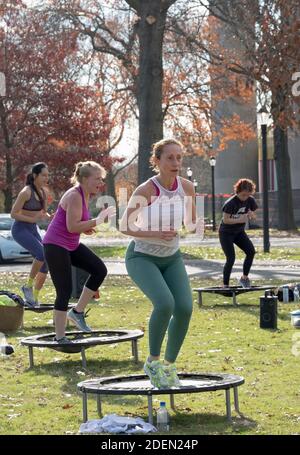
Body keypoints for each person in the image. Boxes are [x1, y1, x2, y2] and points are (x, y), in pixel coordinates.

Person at [120, 138, 198, 389]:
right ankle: (152, 361)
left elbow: (190, 221)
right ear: (157, 161)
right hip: (141, 257)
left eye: (179, 157)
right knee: (165, 304)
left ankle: (168, 365)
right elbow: (124, 226)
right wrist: (155, 233)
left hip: (171, 258)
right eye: (170, 158)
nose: (176, 162)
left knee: (184, 308)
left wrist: (193, 223)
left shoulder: (186, 187)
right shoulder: (145, 190)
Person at [43, 161, 115, 343]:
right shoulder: (75, 195)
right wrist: (97, 221)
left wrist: (87, 227)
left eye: (102, 178)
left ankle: (77, 312)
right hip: (55, 245)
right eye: (97, 178)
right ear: (83, 179)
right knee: (64, 290)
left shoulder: (84, 194)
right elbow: (72, 226)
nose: (101, 182)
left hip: (70, 245)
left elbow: (75, 224)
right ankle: (60, 337)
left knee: (99, 270)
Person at [11, 162, 51, 306]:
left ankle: (34, 296)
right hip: (20, 229)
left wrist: (50, 216)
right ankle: (27, 286)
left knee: (46, 261)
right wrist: (31, 219)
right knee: (41, 253)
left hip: (32, 228)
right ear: (35, 175)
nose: (46, 178)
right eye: (43, 175)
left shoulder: (44, 192)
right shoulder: (26, 192)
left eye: (48, 175)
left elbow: (43, 212)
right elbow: (13, 214)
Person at [219, 178, 258, 288]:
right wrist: (240, 219)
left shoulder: (250, 200)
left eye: (247, 195)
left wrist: (251, 215)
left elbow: (254, 216)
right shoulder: (230, 203)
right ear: (237, 192)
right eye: (243, 195)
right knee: (231, 258)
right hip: (226, 233)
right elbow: (226, 220)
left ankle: (244, 278)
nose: (245, 198)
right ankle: (225, 284)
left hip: (239, 232)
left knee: (251, 251)